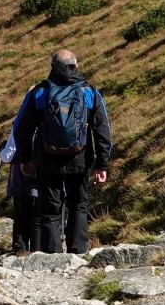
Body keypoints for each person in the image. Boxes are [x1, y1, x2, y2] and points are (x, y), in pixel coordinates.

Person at [9, 49, 114, 255]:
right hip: (80, 159)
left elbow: (21, 128)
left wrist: (25, 159)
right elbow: (103, 130)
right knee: (78, 205)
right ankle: (78, 251)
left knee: (50, 209)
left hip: (47, 160)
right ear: (76, 66)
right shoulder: (89, 91)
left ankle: (52, 254)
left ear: (52, 67)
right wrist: (102, 164)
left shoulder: (40, 92)